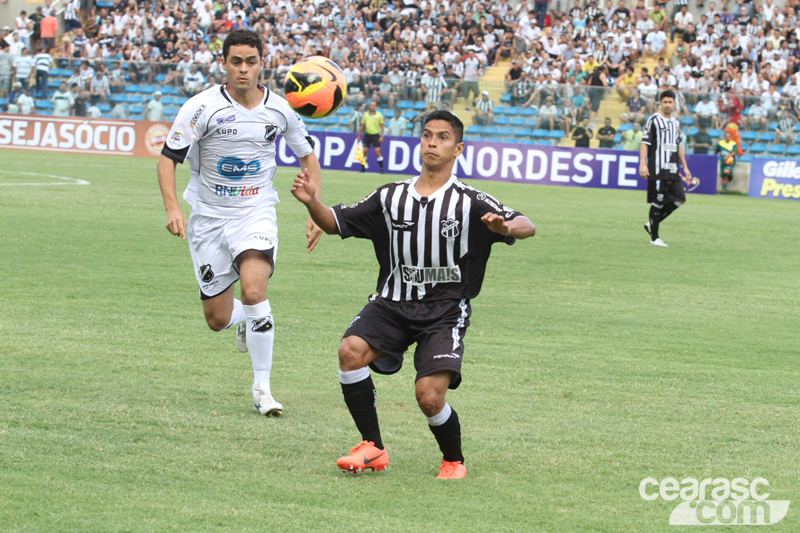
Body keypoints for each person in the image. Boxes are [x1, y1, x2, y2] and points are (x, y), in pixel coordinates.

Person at [289, 110, 536, 479]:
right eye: (427, 135)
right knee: (350, 351)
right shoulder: (390, 196)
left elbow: (526, 224)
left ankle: (453, 460)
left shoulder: (470, 201)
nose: (432, 143)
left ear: (458, 149)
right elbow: (335, 222)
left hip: (445, 311)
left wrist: (506, 228)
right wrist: (312, 202)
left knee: (429, 396)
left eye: (442, 137)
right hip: (392, 303)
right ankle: (372, 446)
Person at [156, 29, 323, 418]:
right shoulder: (201, 108)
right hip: (209, 218)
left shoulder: (281, 110)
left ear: (263, 62)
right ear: (224, 64)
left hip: (256, 212)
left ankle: (263, 388)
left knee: (253, 290)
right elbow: (167, 159)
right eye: (236, 62)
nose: (243, 69)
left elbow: (308, 157)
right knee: (217, 319)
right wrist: (172, 208)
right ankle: (247, 319)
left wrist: (314, 209)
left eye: (251, 61)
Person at [639, 90, 692, 247]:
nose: (668, 105)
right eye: (665, 102)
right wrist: (642, 164)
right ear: (660, 103)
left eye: (670, 102)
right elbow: (645, 142)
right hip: (657, 168)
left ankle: (651, 224)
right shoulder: (654, 120)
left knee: (680, 199)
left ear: (674, 104)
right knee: (658, 201)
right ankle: (654, 238)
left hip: (673, 168)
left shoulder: (675, 122)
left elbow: (678, 145)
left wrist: (685, 167)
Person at [358, 100, 384, 173]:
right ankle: (363, 168)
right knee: (365, 151)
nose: (372, 106)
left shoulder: (379, 115)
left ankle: (382, 168)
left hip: (375, 135)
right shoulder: (365, 115)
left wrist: (381, 136)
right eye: (371, 105)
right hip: (367, 135)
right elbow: (362, 126)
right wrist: (359, 135)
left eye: (374, 105)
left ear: (375, 106)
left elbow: (382, 126)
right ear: (369, 106)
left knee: (377, 152)